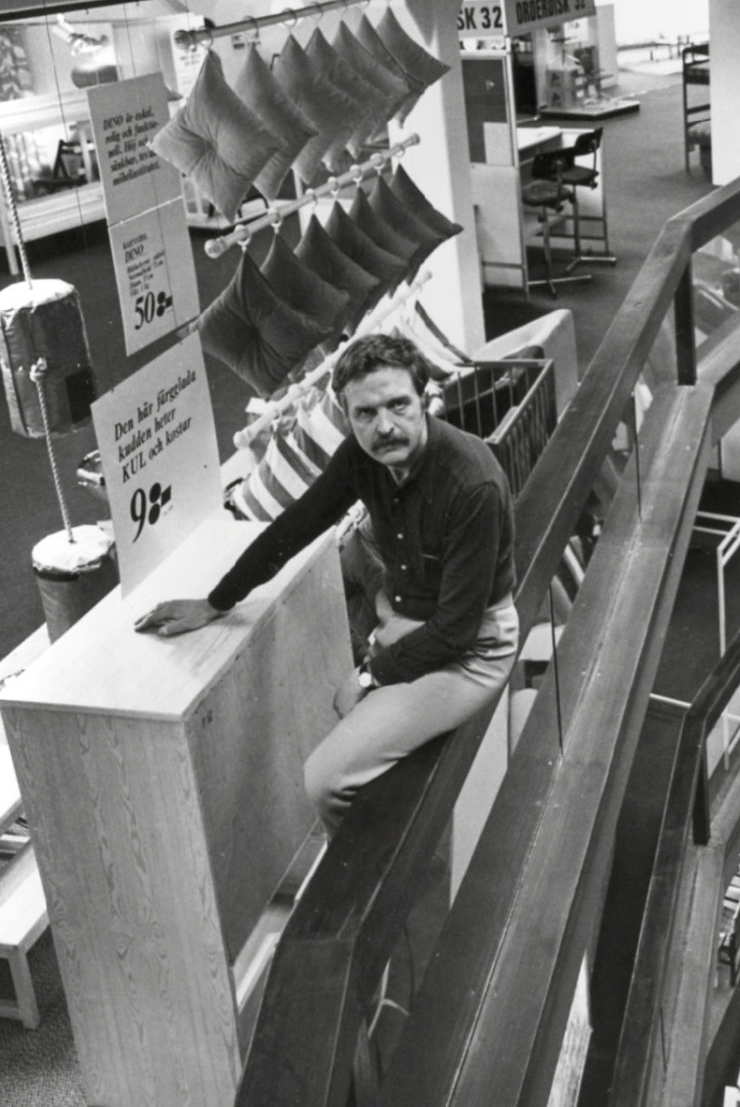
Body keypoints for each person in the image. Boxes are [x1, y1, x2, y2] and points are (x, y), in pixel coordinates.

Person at [136, 332, 519, 831]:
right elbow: (296, 527)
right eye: (365, 414)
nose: (385, 426)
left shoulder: (472, 484)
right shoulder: (363, 458)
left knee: (325, 778)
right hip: (404, 619)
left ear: (423, 399)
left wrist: (369, 675)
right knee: (340, 724)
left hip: (472, 651)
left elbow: (457, 631)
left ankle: (366, 886)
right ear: (346, 413)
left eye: (398, 405)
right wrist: (217, 601)